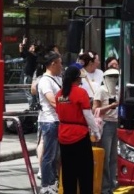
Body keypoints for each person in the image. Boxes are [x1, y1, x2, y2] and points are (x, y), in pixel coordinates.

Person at [55, 65, 100, 194]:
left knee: (68, 172)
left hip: (63, 136)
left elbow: (58, 113)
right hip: (80, 136)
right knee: (85, 172)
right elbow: (88, 115)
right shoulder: (81, 93)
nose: (81, 80)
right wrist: (96, 131)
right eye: (80, 78)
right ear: (76, 79)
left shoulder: (59, 94)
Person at [37, 52, 63, 194]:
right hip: (49, 121)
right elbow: (53, 101)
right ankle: (46, 185)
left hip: (56, 121)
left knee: (54, 156)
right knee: (49, 155)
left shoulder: (56, 79)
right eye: (60, 63)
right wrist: (68, 103)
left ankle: (52, 183)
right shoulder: (45, 81)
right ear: (53, 63)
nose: (61, 66)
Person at [93, 69, 119, 194]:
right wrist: (111, 105)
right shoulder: (101, 90)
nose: (113, 79)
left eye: (115, 76)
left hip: (117, 123)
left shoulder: (118, 90)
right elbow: (95, 109)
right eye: (111, 76)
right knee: (105, 156)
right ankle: (104, 187)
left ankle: (112, 185)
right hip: (106, 124)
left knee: (114, 157)